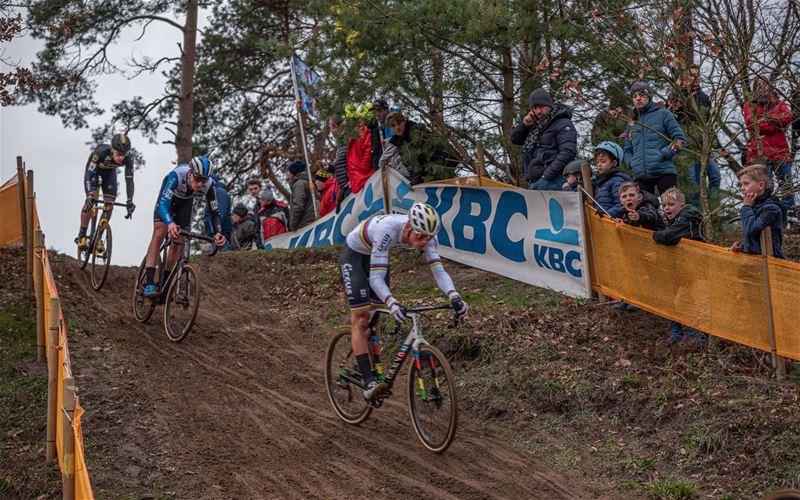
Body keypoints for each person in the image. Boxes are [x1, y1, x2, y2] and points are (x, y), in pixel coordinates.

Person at [339, 202, 469, 399]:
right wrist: (392, 302)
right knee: (362, 318)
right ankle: (368, 383)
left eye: (429, 237)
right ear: (409, 227)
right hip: (355, 254)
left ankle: (362, 361)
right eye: (420, 236)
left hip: (377, 254)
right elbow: (376, 279)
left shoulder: (427, 236)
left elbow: (438, 271)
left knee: (376, 315)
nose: (424, 241)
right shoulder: (387, 230)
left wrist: (454, 296)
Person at [142, 156, 226, 298]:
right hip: (167, 202)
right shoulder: (177, 175)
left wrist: (218, 232)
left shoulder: (209, 185)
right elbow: (163, 205)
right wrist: (169, 223)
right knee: (159, 233)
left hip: (185, 203)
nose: (200, 184)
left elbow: (214, 212)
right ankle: (149, 282)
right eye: (197, 179)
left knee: (178, 242)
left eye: (203, 180)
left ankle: (165, 283)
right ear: (189, 173)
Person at [652, 187, 706, 346]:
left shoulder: (688, 218)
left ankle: (695, 337)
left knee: (687, 301)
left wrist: (656, 236)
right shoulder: (675, 221)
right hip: (682, 268)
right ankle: (679, 333)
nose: (667, 208)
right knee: (674, 300)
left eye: (671, 204)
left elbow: (670, 236)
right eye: (664, 205)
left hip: (696, 269)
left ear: (681, 206)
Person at [623, 81, 687, 196]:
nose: (638, 98)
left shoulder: (664, 114)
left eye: (641, 95)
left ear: (649, 96)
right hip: (641, 175)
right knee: (646, 212)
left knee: (672, 208)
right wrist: (631, 163)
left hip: (664, 171)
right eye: (634, 96)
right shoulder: (632, 123)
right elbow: (627, 149)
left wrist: (663, 154)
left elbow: (680, 140)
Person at [75, 133, 136, 249]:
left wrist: (130, 200)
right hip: (93, 172)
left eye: (124, 154)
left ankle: (99, 237)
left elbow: (130, 181)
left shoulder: (129, 158)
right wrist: (89, 194)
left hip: (109, 174)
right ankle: (82, 235)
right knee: (90, 201)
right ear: (112, 150)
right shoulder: (101, 152)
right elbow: (89, 173)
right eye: (119, 154)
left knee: (110, 204)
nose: (121, 158)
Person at [510, 87, 578, 190]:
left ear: (549, 105)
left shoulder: (563, 123)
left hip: (554, 181)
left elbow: (568, 152)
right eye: (535, 107)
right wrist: (524, 125)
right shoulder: (535, 126)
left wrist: (546, 176)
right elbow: (515, 139)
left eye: (541, 107)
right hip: (535, 182)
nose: (538, 111)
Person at [743, 76, 794, 210]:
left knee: (787, 185)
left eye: (765, 84)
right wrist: (774, 125)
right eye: (758, 85)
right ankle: (768, 214)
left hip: (780, 151)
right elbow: (753, 124)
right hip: (759, 152)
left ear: (770, 86)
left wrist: (767, 119)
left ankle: (791, 216)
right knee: (765, 187)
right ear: (755, 88)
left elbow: (787, 117)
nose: (762, 87)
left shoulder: (779, 103)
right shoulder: (750, 105)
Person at [383, 111, 459, 185]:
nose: (397, 127)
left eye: (399, 123)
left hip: (442, 164)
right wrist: (413, 181)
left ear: (404, 121)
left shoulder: (416, 131)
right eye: (393, 125)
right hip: (429, 171)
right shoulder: (399, 142)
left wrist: (415, 181)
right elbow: (411, 166)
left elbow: (422, 158)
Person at [730, 165, 786, 259]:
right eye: (741, 184)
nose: (742, 188)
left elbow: (751, 229)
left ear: (761, 185)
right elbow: (755, 241)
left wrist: (746, 206)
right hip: (756, 262)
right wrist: (742, 248)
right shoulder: (753, 205)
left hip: (770, 265)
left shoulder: (772, 209)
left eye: (746, 184)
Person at [590, 141, 631, 217]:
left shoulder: (618, 181)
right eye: (597, 162)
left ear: (614, 163)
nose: (599, 165)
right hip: (603, 222)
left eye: (603, 161)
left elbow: (622, 205)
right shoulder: (601, 182)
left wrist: (606, 214)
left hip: (614, 224)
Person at [345, 104, 375, 194]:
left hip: (366, 179)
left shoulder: (363, 132)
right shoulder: (351, 137)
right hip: (359, 182)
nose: (344, 124)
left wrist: (363, 169)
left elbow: (368, 151)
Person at [203, 174, 232, 251]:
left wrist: (216, 231)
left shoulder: (219, 192)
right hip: (215, 235)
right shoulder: (213, 193)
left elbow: (219, 214)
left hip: (221, 236)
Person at [329, 115, 351, 210]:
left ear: (339, 126)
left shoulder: (349, 139)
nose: (331, 131)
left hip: (351, 187)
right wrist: (328, 168)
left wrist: (352, 180)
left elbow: (354, 161)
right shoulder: (340, 145)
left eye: (332, 127)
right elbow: (340, 166)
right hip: (344, 189)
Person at [287, 160, 316, 231]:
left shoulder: (299, 185)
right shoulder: (309, 182)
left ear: (293, 173)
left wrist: (293, 225)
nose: (288, 174)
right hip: (311, 220)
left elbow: (298, 206)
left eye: (289, 172)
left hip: (305, 223)